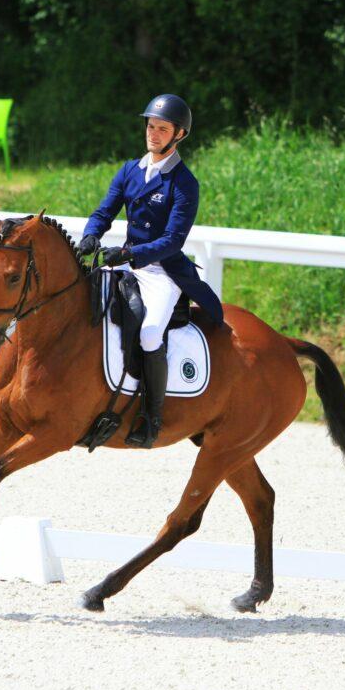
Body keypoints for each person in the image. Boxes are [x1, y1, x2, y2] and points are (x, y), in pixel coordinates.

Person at [78, 94, 224, 449]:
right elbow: (104, 211)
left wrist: (129, 252)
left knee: (150, 333)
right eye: (150, 126)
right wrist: (90, 235)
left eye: (162, 129)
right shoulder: (130, 170)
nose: (153, 134)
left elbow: (173, 241)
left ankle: (152, 416)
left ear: (179, 135)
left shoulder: (184, 184)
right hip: (126, 264)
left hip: (162, 272)